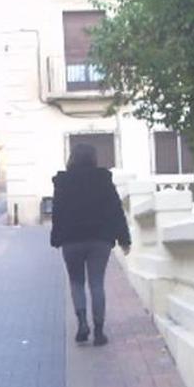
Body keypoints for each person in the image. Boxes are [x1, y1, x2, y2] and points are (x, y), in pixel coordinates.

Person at [50, 144, 131, 346]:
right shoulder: (103, 180)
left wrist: (56, 237)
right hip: (99, 240)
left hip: (71, 240)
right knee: (97, 284)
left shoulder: (63, 182)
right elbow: (115, 210)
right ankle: (100, 332)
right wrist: (124, 238)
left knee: (76, 283)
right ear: (93, 158)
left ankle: (82, 324)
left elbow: (57, 212)